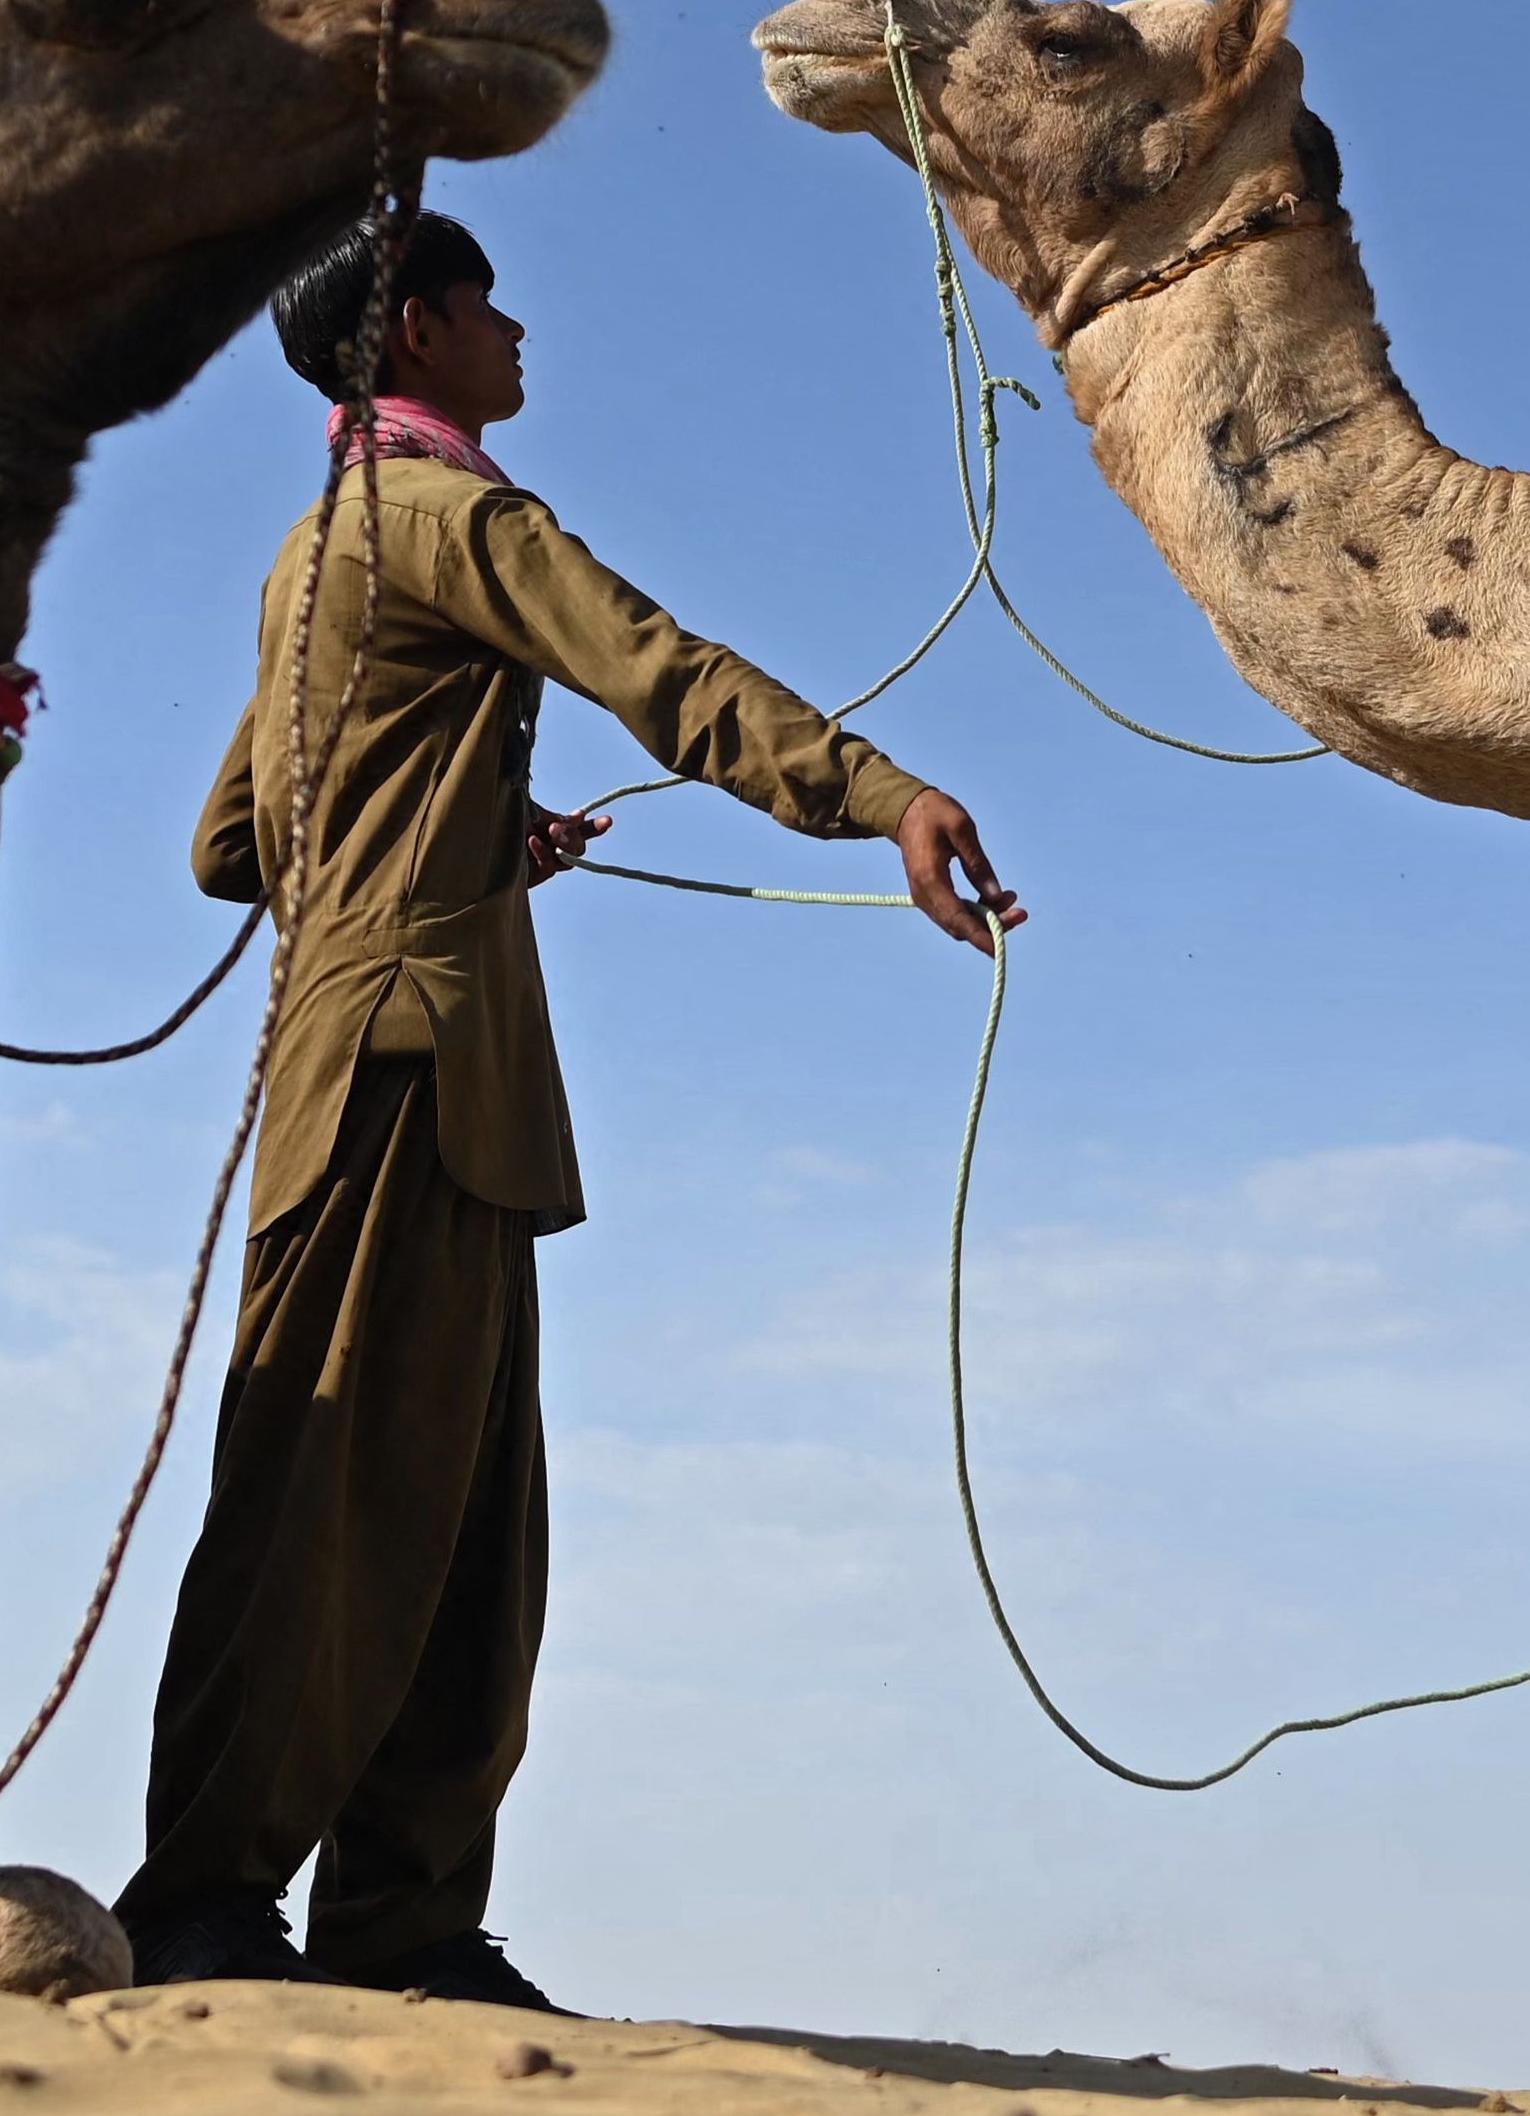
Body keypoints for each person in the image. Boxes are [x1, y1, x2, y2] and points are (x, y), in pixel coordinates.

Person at [118, 210, 1018, 2003]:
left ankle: (408, 1933)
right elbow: (662, 676)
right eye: (488, 304)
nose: (519, 327)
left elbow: (235, 842)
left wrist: (452, 831)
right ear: (422, 333)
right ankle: (208, 1899)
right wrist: (884, 795)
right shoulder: (456, 518)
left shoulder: (319, 547)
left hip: (400, 1071)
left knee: (461, 1525)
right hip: (406, 1076)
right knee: (330, 1504)